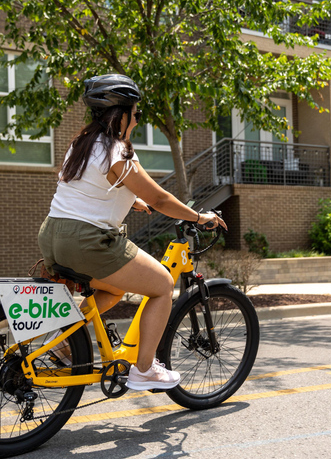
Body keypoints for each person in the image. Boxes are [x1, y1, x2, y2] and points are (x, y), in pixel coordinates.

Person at [38, 74, 226, 391]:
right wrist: (197, 216)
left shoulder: (81, 144)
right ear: (121, 114)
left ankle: (62, 339)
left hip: (53, 236)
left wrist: (129, 198)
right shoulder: (118, 150)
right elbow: (161, 198)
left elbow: (90, 186)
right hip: (89, 241)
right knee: (162, 285)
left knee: (112, 290)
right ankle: (145, 369)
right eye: (136, 113)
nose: (137, 120)